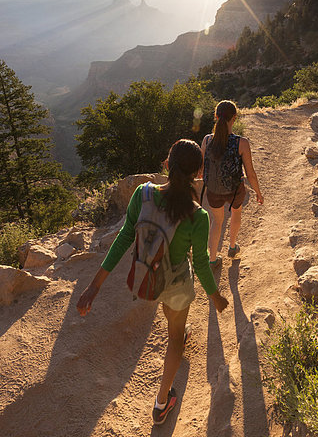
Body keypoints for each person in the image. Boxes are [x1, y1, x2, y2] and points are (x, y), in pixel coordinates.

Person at [76, 139, 228, 425]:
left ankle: (165, 389)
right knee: (175, 339)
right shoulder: (199, 216)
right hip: (179, 285)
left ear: (167, 165)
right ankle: (161, 404)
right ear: (198, 174)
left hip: (150, 277)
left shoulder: (143, 195)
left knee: (171, 318)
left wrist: (94, 286)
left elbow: (123, 239)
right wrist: (215, 295)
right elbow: (200, 264)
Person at [201, 100, 264, 268]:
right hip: (235, 190)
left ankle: (212, 259)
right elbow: (250, 173)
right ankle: (232, 246)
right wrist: (258, 192)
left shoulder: (207, 140)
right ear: (234, 118)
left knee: (217, 221)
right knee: (236, 214)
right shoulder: (241, 143)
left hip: (213, 191)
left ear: (216, 117)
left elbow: (201, 168)